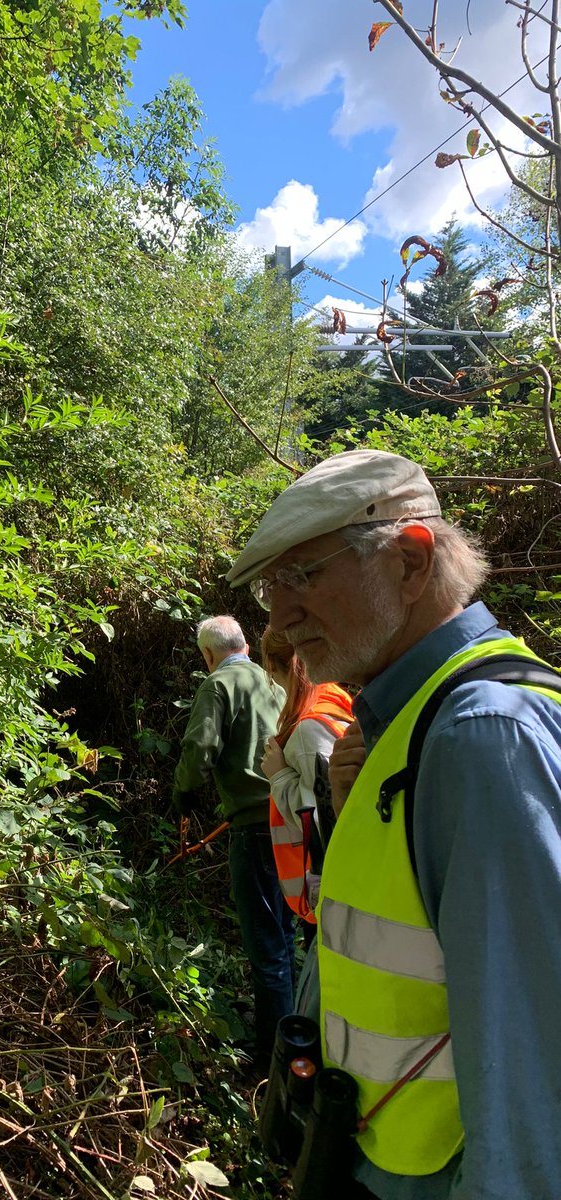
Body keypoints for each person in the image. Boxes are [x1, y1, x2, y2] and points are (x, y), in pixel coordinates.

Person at [226, 449, 561, 1200]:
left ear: (409, 562)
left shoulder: (482, 736)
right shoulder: (402, 721)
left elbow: (537, 1067)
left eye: (301, 576)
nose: (278, 615)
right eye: (269, 588)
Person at [171, 615, 293, 1066]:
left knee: (267, 947)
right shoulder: (273, 682)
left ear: (208, 654)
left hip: (256, 828)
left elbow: (200, 750)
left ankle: (273, 1060)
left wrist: (183, 795)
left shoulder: (217, 686)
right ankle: (297, 1039)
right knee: (287, 935)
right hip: (293, 820)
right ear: (244, 643)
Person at [259, 626, 353, 924]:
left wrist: (279, 776)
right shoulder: (334, 704)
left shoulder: (308, 730)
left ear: (271, 666)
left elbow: (319, 820)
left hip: (329, 886)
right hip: (340, 880)